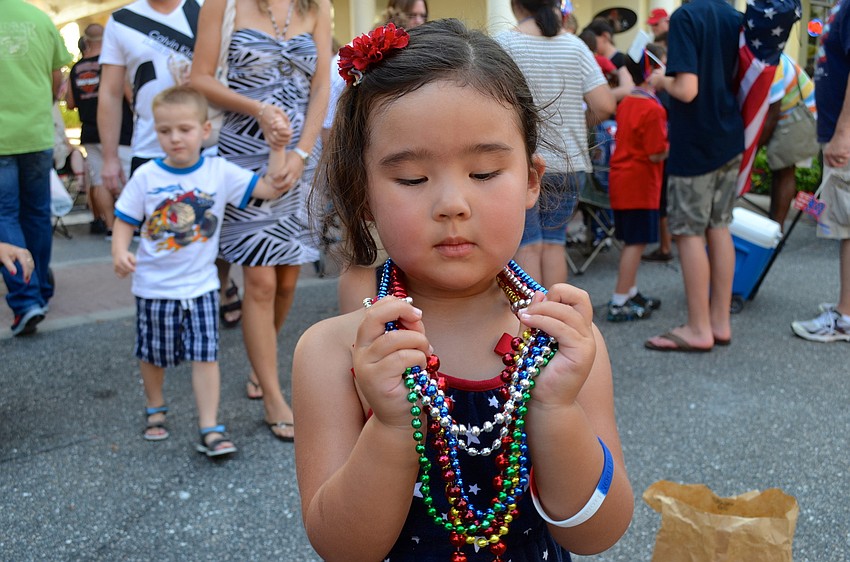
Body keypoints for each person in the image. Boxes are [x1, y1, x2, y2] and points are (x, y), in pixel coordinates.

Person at [293, 19, 632, 561]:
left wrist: (555, 407)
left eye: (484, 172)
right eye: (411, 179)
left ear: (530, 179)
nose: (453, 203)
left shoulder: (563, 341)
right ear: (362, 195)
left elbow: (598, 533)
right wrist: (391, 425)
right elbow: (342, 547)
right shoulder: (334, 353)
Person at [111, 85, 289, 455]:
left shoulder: (218, 172)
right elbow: (125, 217)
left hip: (203, 287)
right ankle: (155, 407)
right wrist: (119, 251)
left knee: (206, 355)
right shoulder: (146, 175)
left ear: (204, 130)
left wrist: (277, 148)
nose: (175, 138)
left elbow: (271, 189)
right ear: (155, 131)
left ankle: (210, 426)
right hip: (154, 287)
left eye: (184, 129)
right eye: (164, 130)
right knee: (153, 354)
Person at [189, 0, 331, 441]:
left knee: (288, 281)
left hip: (299, 158)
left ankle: (260, 364)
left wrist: (303, 152)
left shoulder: (317, 6)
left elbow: (322, 85)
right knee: (261, 282)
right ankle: (273, 394)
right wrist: (259, 110)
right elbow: (199, 78)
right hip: (245, 156)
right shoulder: (223, 4)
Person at [645, 0, 744, 352]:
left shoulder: (687, 16)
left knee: (687, 232)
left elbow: (686, 88)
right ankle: (719, 321)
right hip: (730, 135)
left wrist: (661, 79)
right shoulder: (735, 16)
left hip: (696, 142)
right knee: (720, 226)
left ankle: (698, 327)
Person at [497, 0, 615, 289]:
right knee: (554, 243)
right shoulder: (575, 46)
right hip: (569, 161)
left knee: (527, 244)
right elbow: (604, 104)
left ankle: (531, 326)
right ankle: (556, 323)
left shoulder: (502, 44)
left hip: (523, 161)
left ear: (516, 4)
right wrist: (576, 122)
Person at [335, 0, 429, 314]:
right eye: (411, 14)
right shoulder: (380, 60)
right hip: (379, 165)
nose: (417, 20)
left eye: (422, 15)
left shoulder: (429, 52)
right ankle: (356, 332)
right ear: (393, 13)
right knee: (366, 255)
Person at [0, 0, 72, 336]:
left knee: (5, 216)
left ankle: (26, 300)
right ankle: (40, 290)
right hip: (37, 132)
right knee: (37, 215)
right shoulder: (39, 19)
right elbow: (56, 78)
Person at [791, 0, 850, 343]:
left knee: (846, 226)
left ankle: (844, 317)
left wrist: (843, 134)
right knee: (841, 223)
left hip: (843, 137)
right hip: (836, 134)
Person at [607, 45, 667, 322]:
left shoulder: (628, 101)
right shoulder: (653, 108)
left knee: (632, 240)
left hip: (623, 179)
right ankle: (619, 300)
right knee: (636, 243)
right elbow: (656, 152)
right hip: (640, 183)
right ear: (651, 72)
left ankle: (630, 291)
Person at [66, 23, 135, 236]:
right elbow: (130, 96)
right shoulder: (111, 64)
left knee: (99, 180)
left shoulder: (76, 69)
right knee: (128, 178)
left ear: (86, 40)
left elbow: (69, 102)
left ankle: (110, 227)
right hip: (118, 130)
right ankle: (130, 226)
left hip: (89, 131)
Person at [759, 52, 817, 231]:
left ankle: (777, 229)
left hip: (797, 116)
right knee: (781, 170)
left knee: (784, 170)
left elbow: (773, 113)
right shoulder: (769, 55)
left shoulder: (774, 63)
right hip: (791, 114)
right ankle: (774, 225)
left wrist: (754, 147)